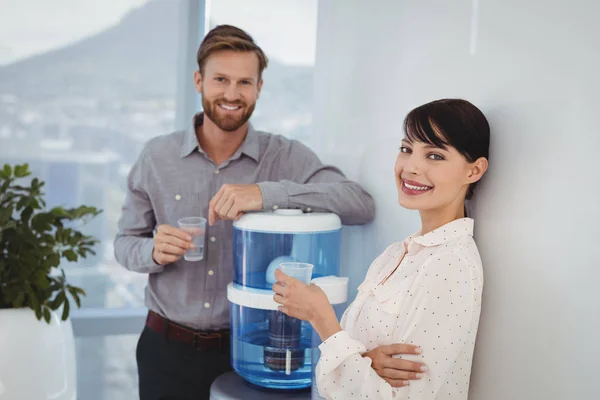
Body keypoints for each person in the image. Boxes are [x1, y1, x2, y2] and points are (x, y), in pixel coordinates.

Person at [113, 24, 380, 400]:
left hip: (251, 351)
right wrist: (151, 251)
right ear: (198, 81)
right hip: (165, 350)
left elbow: (359, 203)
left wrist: (265, 194)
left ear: (259, 88)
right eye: (220, 79)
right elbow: (124, 243)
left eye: (244, 82)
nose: (232, 94)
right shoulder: (156, 157)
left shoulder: (283, 157)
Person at [273, 98, 490, 399]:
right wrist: (365, 361)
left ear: (474, 170)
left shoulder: (450, 265)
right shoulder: (394, 255)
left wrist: (321, 317)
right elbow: (331, 379)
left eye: (435, 156)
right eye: (406, 149)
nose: (411, 167)